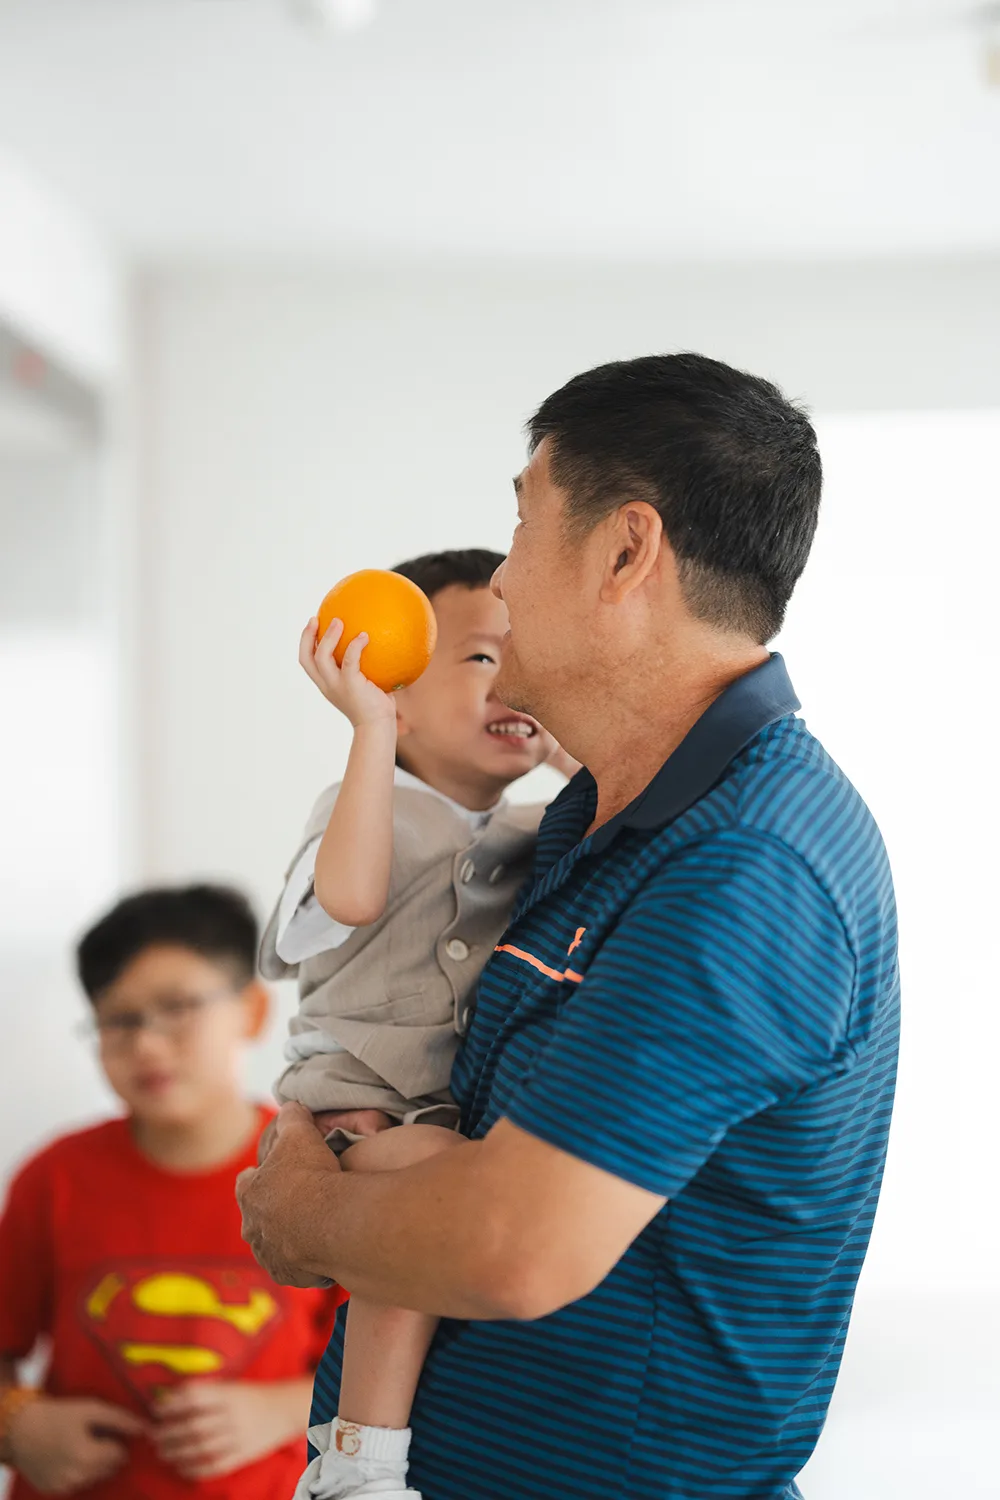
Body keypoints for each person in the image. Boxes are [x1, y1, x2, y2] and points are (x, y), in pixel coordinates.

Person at [238, 353, 901, 1500]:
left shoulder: (748, 862)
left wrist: (303, 1217)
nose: (502, 574)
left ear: (625, 550)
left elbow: (516, 1246)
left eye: (521, 521)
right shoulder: (594, 815)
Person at [259, 548, 571, 1499]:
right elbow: (348, 896)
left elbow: (636, 805)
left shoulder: (534, 825)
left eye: (524, 656)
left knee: (457, 1211)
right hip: (358, 1105)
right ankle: (356, 1465)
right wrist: (368, 734)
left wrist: (566, 730)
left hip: (443, 1111)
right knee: (413, 1216)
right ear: (398, 689)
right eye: (481, 658)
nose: (511, 676)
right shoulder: (364, 806)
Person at [0, 885, 344, 1500]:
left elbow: (391, 1366)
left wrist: (282, 1410)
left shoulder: (318, 1170)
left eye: (177, 1007)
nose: (148, 1044)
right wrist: (17, 1427)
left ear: (252, 1011)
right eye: (119, 1019)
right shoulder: (54, 1178)